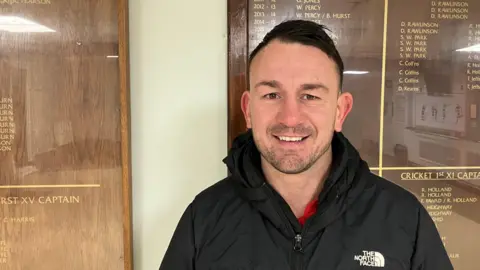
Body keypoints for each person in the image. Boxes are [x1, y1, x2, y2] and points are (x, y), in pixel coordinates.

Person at [159, 19, 453, 269]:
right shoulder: (204, 218)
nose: (289, 118)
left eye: (310, 96)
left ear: (340, 111)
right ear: (248, 109)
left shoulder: (404, 218)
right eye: (271, 95)